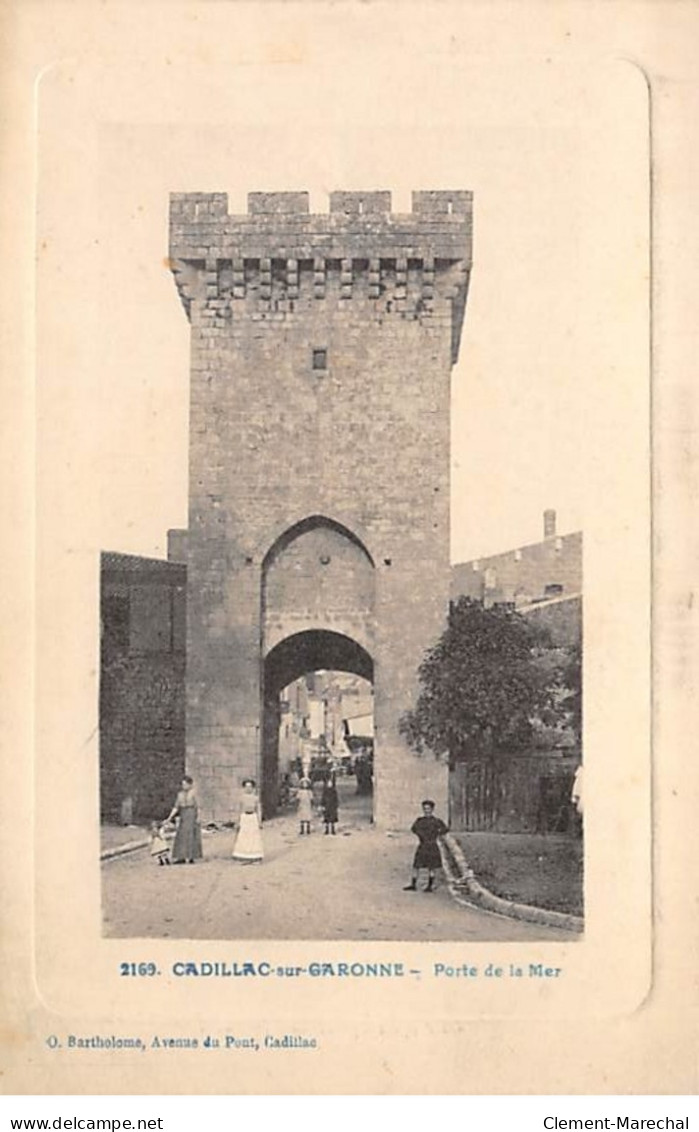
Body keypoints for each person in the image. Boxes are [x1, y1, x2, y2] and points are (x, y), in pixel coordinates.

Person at [403, 800, 448, 892]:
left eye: (428, 808)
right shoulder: (420, 821)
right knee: (416, 865)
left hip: (432, 845)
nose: (427, 811)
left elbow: (445, 829)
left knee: (431, 866)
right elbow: (414, 829)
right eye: (425, 809)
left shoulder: (436, 821)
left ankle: (429, 886)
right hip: (423, 845)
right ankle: (413, 884)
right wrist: (420, 835)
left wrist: (437, 833)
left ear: (432, 809)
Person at [166, 776, 203, 864]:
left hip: (191, 815)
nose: (184, 786)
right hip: (183, 815)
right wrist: (169, 818)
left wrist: (198, 817)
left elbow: (199, 807)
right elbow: (176, 807)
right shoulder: (180, 794)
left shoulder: (194, 793)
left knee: (191, 836)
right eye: (183, 784)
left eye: (185, 784)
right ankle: (181, 857)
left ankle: (191, 857)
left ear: (190, 784)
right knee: (181, 836)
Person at [232, 779, 264, 864]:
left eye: (250, 787)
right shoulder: (241, 798)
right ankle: (244, 858)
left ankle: (255, 858)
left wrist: (259, 821)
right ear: (243, 788)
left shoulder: (256, 798)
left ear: (253, 788)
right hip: (244, 818)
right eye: (246, 787)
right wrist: (238, 822)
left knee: (253, 838)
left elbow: (259, 810)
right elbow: (239, 810)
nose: (248, 789)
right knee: (244, 837)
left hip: (253, 818)